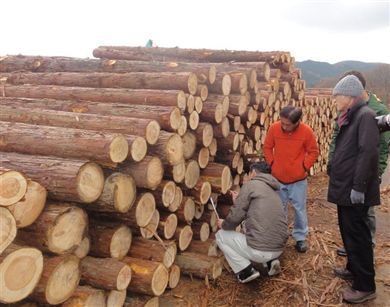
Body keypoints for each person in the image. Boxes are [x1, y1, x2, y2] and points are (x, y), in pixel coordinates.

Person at [328, 75, 380, 304]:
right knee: (348, 232)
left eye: (337, 97)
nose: (335, 101)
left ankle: (365, 285)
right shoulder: (352, 114)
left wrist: (358, 187)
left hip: (354, 190)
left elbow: (367, 154)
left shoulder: (365, 116)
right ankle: (353, 268)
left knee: (358, 236)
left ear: (349, 97)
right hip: (345, 188)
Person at [328, 71, 390, 257]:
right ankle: (354, 251)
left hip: (364, 176)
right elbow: (337, 138)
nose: (337, 99)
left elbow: (378, 148)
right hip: (349, 175)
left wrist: (376, 173)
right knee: (351, 221)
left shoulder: (374, 111)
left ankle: (365, 249)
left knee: (364, 216)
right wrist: (332, 162)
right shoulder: (350, 111)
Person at [215, 162, 288, 283]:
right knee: (262, 228)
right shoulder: (274, 191)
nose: (247, 177)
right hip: (278, 248)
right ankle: (271, 262)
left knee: (221, 236)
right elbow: (257, 214)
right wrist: (239, 200)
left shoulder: (251, 185)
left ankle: (245, 271)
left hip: (260, 250)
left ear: (253, 173)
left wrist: (223, 224)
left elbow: (234, 218)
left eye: (248, 174)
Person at [263, 106, 319, 253]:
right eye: (282, 122)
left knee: (299, 209)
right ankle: (279, 236)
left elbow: (313, 151)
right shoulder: (274, 128)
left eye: (287, 124)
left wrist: (304, 166)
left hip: (298, 180)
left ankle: (300, 238)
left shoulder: (306, 131)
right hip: (278, 178)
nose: (284, 126)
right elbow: (267, 147)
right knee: (278, 209)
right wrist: (272, 163)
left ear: (297, 122)